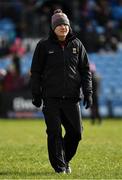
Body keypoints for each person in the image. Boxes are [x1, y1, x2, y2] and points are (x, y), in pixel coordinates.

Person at [30, 9, 92, 174]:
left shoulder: (78, 44)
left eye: (65, 24)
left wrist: (88, 92)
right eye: (59, 25)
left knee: (76, 134)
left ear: (69, 26)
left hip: (72, 99)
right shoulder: (43, 46)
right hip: (51, 98)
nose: (63, 27)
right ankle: (60, 167)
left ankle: (65, 159)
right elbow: (35, 72)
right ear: (53, 27)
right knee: (54, 133)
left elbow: (85, 71)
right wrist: (36, 94)